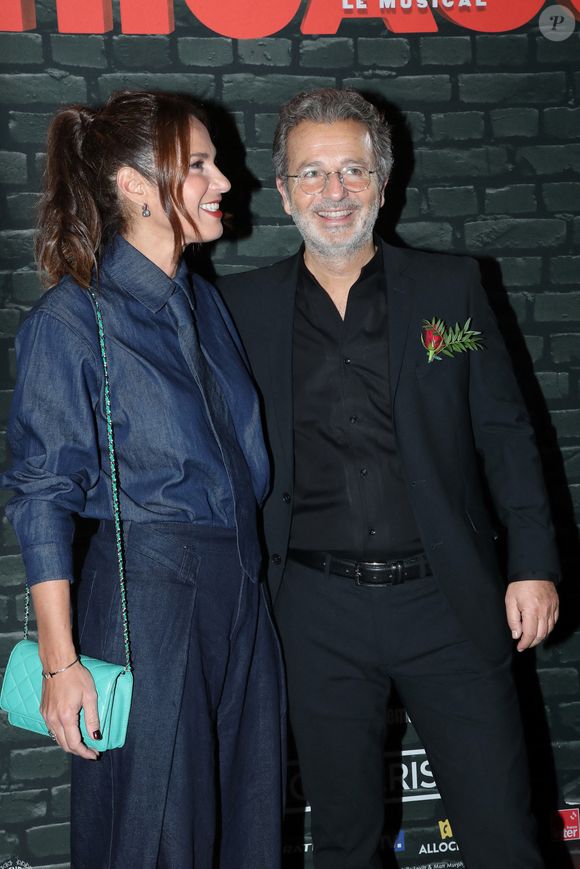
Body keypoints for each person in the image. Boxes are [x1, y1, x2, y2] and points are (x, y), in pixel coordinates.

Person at [218, 87, 560, 869]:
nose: (332, 193)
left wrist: (533, 564)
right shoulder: (239, 309)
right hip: (312, 610)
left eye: (351, 171)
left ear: (383, 179)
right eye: (312, 174)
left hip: (449, 601)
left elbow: (506, 433)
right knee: (342, 841)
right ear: (283, 190)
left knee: (505, 833)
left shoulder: (450, 293)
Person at [2, 91, 285, 869]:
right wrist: (62, 666)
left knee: (246, 822)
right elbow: (42, 496)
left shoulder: (203, 303)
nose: (224, 179)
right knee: (156, 833)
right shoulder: (70, 318)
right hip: (149, 598)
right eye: (196, 165)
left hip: (239, 591)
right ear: (133, 184)